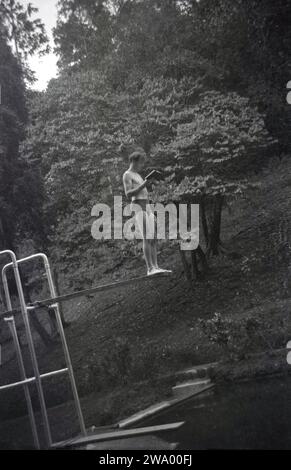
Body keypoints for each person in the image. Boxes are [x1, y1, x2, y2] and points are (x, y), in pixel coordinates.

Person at [123, 151, 172, 276]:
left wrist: (151, 212)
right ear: (134, 161)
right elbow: (128, 194)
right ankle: (150, 268)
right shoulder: (127, 175)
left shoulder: (138, 175)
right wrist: (144, 184)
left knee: (153, 236)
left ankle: (156, 266)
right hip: (138, 205)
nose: (142, 165)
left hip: (147, 205)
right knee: (146, 236)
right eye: (141, 162)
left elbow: (145, 194)